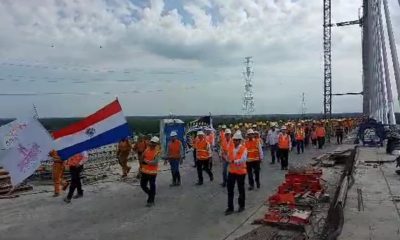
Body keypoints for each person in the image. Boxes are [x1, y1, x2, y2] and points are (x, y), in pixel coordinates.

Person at [225, 131, 248, 215]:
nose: (234, 141)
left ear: (240, 141)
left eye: (236, 140)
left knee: (241, 189)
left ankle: (241, 206)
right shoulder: (230, 148)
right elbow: (228, 157)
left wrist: (233, 161)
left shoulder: (243, 149)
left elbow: (243, 160)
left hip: (241, 172)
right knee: (230, 189)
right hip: (232, 171)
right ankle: (230, 207)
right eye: (234, 140)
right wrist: (227, 159)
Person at [140, 136, 161, 207]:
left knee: (152, 185)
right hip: (144, 171)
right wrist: (141, 165)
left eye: (153, 143)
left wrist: (145, 161)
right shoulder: (147, 149)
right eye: (151, 142)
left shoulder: (157, 152)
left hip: (152, 172)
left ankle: (151, 200)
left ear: (156, 144)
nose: (151, 144)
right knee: (142, 185)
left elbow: (155, 162)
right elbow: (142, 157)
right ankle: (151, 194)